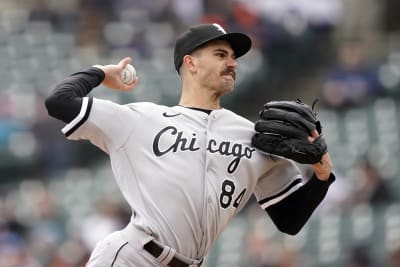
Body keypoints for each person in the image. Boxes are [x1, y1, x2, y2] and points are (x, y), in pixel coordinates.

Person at [45, 23, 335, 267]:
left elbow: (290, 220)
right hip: (133, 258)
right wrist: (100, 72)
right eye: (221, 54)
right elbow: (59, 102)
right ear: (190, 62)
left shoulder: (254, 137)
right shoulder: (140, 119)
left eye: (233, 57)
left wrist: (322, 174)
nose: (232, 63)